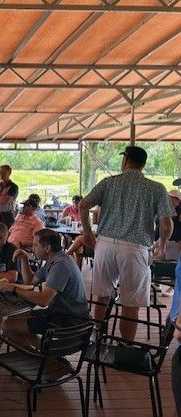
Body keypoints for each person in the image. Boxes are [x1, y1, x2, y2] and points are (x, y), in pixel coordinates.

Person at [80, 146, 175, 341]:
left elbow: (82, 205)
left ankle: (98, 339)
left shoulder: (108, 183)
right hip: (135, 248)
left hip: (105, 245)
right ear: (144, 164)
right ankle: (126, 347)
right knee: (130, 303)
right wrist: (162, 243)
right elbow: (166, 224)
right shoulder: (156, 188)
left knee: (103, 296)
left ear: (125, 161)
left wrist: (87, 231)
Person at [0, 229, 89, 350]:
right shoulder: (54, 260)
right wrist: (24, 259)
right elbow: (30, 281)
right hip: (61, 313)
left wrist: (14, 289)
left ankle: (40, 358)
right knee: (14, 318)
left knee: (7, 326)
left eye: (35, 245)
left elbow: (43, 300)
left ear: (47, 248)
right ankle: (47, 355)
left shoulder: (60, 265)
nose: (32, 248)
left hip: (69, 319)